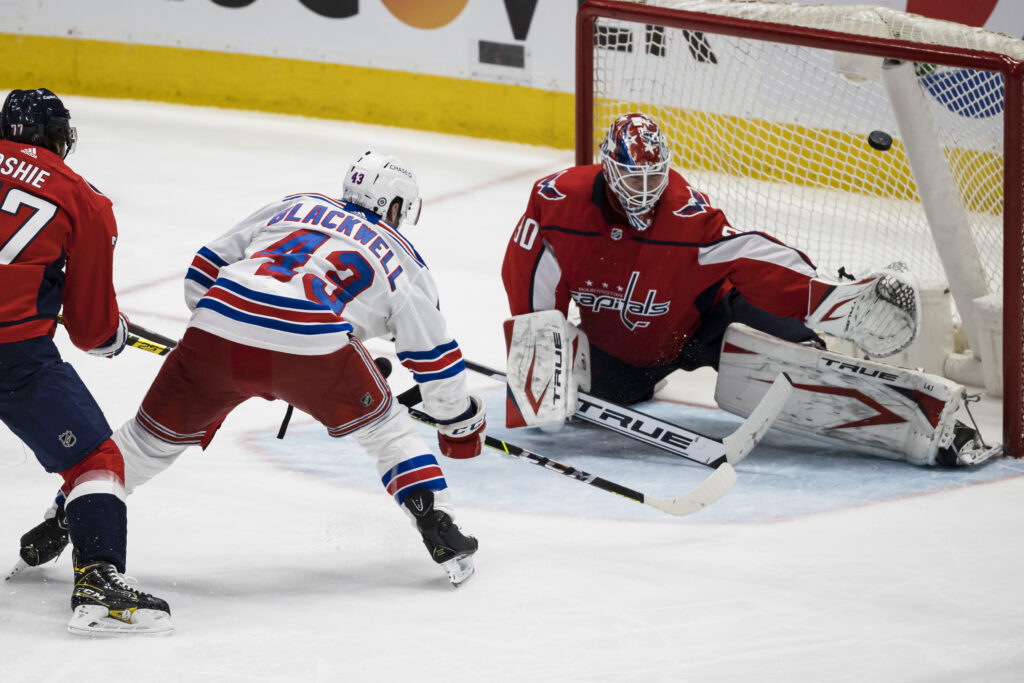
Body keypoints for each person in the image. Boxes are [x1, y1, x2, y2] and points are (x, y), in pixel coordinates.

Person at [17, 149, 486, 588]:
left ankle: (59, 521)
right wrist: (460, 421)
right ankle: (435, 520)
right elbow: (436, 362)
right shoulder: (404, 258)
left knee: (143, 442)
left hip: (219, 322)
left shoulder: (297, 204)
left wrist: (217, 337)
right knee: (387, 432)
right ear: (396, 204)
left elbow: (205, 266)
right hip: (314, 343)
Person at [500, 112, 993, 466]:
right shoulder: (557, 201)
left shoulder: (686, 215)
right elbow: (526, 273)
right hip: (626, 349)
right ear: (609, 167)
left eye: (654, 176)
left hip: (709, 321)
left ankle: (927, 429)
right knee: (600, 396)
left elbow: (751, 256)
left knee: (797, 361)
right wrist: (537, 351)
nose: (644, 189)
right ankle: (642, 379)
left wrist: (829, 302)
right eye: (633, 176)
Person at [0, 88, 172, 634]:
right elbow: (92, 330)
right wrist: (112, 337)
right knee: (96, 460)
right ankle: (98, 576)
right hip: (15, 357)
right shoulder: (83, 199)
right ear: (60, 139)